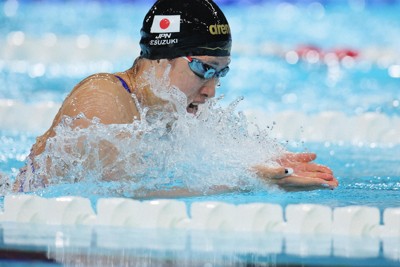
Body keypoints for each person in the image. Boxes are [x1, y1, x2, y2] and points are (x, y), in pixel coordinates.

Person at [14, 0, 338, 195]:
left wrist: (263, 163)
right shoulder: (104, 98)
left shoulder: (167, 111)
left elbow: (205, 164)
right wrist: (246, 181)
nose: (210, 91)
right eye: (203, 69)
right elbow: (126, 193)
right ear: (161, 58)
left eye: (220, 74)